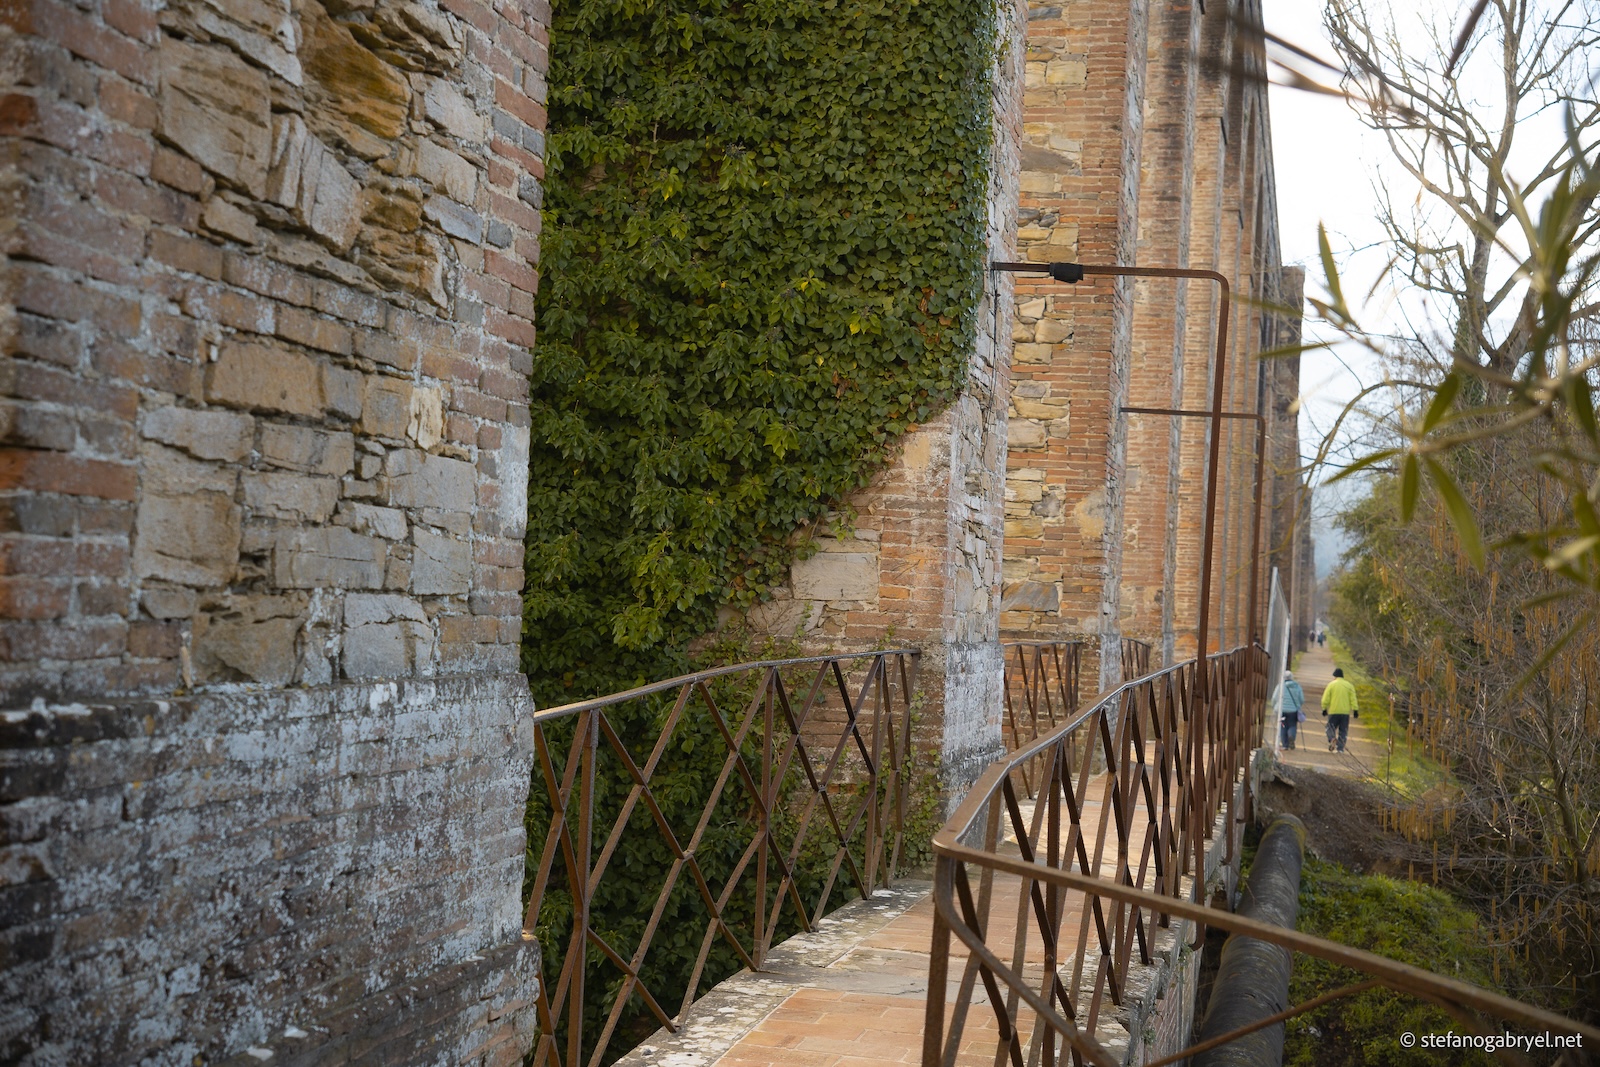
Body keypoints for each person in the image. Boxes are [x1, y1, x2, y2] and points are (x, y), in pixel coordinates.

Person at [1321, 666, 1359, 752]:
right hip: (1345, 712)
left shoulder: (1331, 685)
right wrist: (1355, 710)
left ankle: (1332, 739)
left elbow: (1325, 698)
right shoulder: (1349, 686)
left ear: (1335, 676)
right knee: (1343, 731)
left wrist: (1324, 708)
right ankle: (1340, 748)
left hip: (1333, 711)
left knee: (1330, 728)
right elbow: (1353, 699)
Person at [1276, 670, 1305, 750]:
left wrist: (1275, 705)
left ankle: (1285, 745)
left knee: (1283, 726)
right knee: (1292, 725)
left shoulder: (1280, 686)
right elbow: (1302, 699)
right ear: (1292, 677)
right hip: (1293, 711)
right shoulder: (1297, 686)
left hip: (1282, 710)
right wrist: (1299, 705)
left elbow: (1274, 697)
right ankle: (1291, 736)